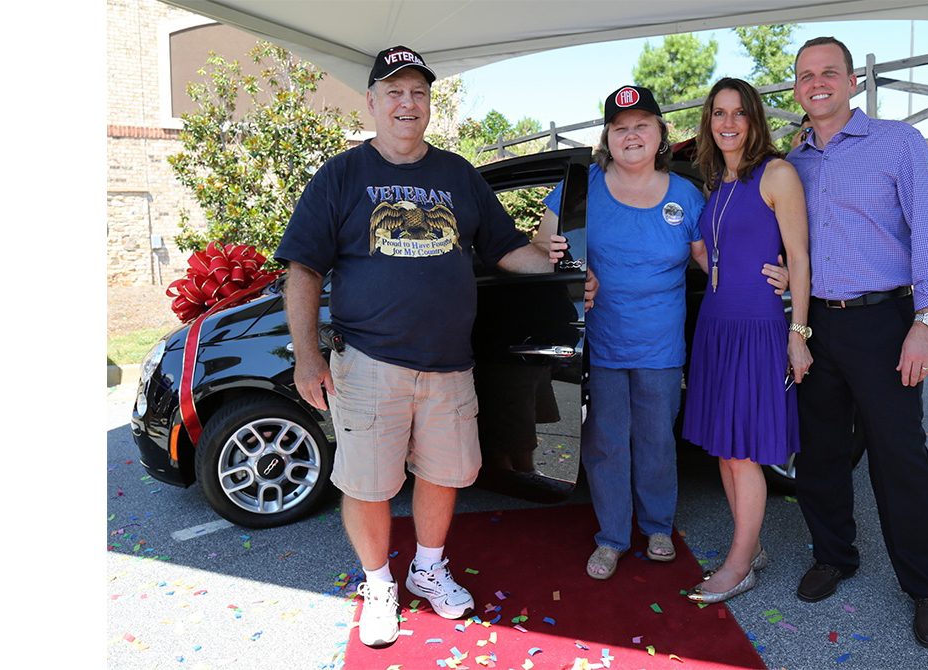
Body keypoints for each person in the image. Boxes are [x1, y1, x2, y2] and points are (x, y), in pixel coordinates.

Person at [274, 45, 552, 649]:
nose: (407, 103)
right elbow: (303, 270)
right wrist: (307, 356)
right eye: (394, 92)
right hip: (371, 362)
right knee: (368, 484)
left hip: (450, 365)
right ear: (373, 101)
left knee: (444, 473)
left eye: (418, 93)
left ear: (430, 104)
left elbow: (508, 249)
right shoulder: (342, 176)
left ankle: (427, 568)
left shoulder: (457, 175)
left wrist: (554, 258)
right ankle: (379, 584)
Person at [785, 36, 928, 649]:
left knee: (899, 456)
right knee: (821, 453)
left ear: (852, 81)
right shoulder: (794, 160)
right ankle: (834, 556)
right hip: (817, 326)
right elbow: (795, 244)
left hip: (885, 322)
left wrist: (927, 321)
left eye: (829, 72)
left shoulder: (898, 143)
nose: (817, 83)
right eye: (806, 75)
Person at [539, 85, 707, 581]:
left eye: (641, 125)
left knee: (656, 438)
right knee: (606, 440)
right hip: (600, 340)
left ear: (660, 134)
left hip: (661, 344)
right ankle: (612, 536)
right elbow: (543, 244)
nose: (631, 135)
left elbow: (710, 261)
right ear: (607, 137)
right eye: (620, 128)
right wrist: (566, 264)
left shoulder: (685, 194)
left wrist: (773, 277)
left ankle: (657, 526)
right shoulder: (581, 186)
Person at [679, 77, 812, 604]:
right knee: (723, 446)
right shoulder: (718, 182)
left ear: (754, 119)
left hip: (757, 325)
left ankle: (740, 563)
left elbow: (799, 258)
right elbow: (711, 252)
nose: (728, 122)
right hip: (716, 323)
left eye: (739, 113)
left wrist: (798, 334)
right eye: (718, 113)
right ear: (709, 122)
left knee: (744, 451)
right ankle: (749, 547)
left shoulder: (776, 173)